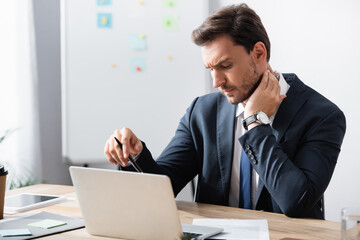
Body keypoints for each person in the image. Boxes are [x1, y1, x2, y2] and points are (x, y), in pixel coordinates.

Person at [104, 3, 346, 219]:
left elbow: (296, 202)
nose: (216, 82)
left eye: (225, 65)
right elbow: (164, 186)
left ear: (259, 53)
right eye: (210, 69)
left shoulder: (322, 115)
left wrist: (255, 122)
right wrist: (135, 156)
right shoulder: (201, 112)